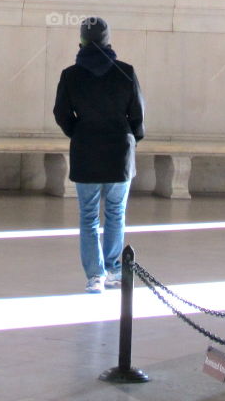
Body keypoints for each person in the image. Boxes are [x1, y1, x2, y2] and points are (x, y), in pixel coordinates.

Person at [53, 16, 145, 293]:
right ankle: (114, 270)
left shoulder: (71, 75)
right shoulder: (126, 71)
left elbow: (61, 114)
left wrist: (79, 133)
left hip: (86, 151)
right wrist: (131, 137)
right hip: (119, 152)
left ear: (81, 40)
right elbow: (138, 114)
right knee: (116, 213)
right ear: (108, 41)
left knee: (89, 216)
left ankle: (95, 276)